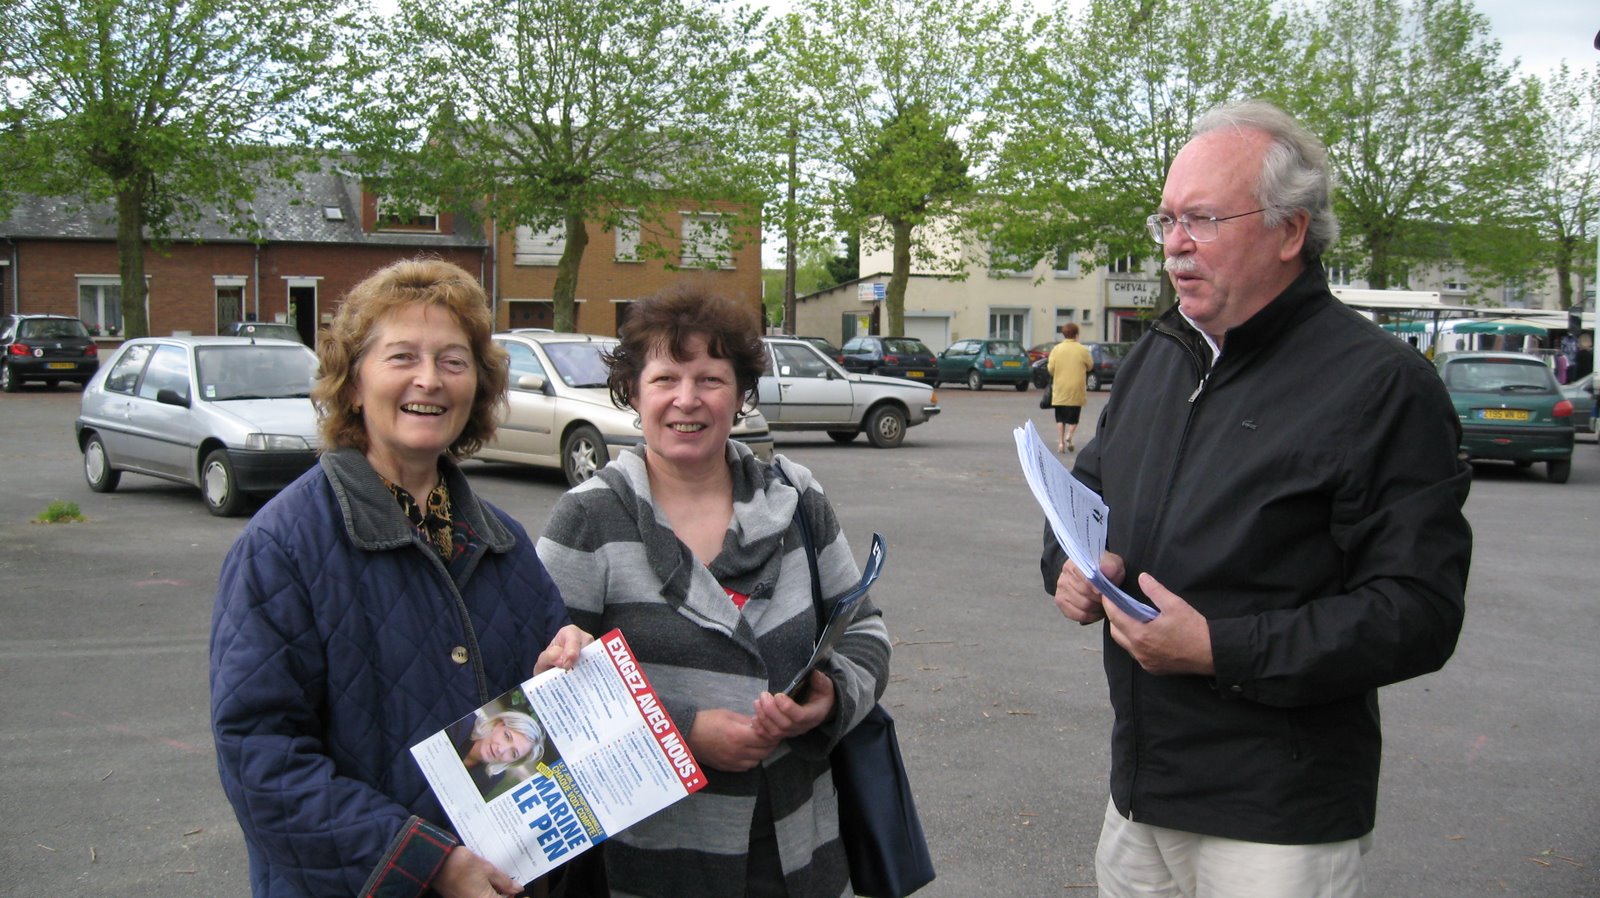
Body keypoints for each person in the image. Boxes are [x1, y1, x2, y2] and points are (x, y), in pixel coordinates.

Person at [1042, 101, 1472, 898]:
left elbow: (1419, 613)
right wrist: (1067, 566)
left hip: (1277, 820)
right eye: (1167, 218)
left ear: (1289, 231)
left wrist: (1219, 648)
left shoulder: (1381, 385)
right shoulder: (1159, 356)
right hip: (1140, 795)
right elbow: (1085, 492)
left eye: (1203, 218)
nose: (1175, 244)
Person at [211, 258, 591, 898]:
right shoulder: (282, 547)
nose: (429, 380)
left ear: (477, 386)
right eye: (401, 357)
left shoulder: (504, 544)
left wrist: (569, 670)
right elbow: (261, 759)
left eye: (452, 360)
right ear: (353, 384)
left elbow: (535, 736)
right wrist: (426, 862)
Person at [536, 286, 892, 898]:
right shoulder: (588, 519)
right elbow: (543, 698)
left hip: (795, 849)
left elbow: (864, 630)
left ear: (741, 394)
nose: (687, 399)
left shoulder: (798, 497)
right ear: (633, 393)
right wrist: (683, 734)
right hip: (652, 855)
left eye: (710, 378)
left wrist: (827, 700)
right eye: (665, 378)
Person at [450, 710, 547, 799]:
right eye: (507, 736)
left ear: (513, 761)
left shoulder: (492, 777)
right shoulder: (459, 721)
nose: (501, 750)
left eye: (513, 753)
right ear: (498, 724)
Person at [1046, 323, 1094, 452]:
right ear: (1076, 334)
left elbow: (1050, 369)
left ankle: (1061, 442)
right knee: (1074, 416)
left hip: (1060, 386)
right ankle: (1070, 435)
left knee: (1060, 417)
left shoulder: (1057, 349)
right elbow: (1090, 366)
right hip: (1076, 387)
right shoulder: (1082, 350)